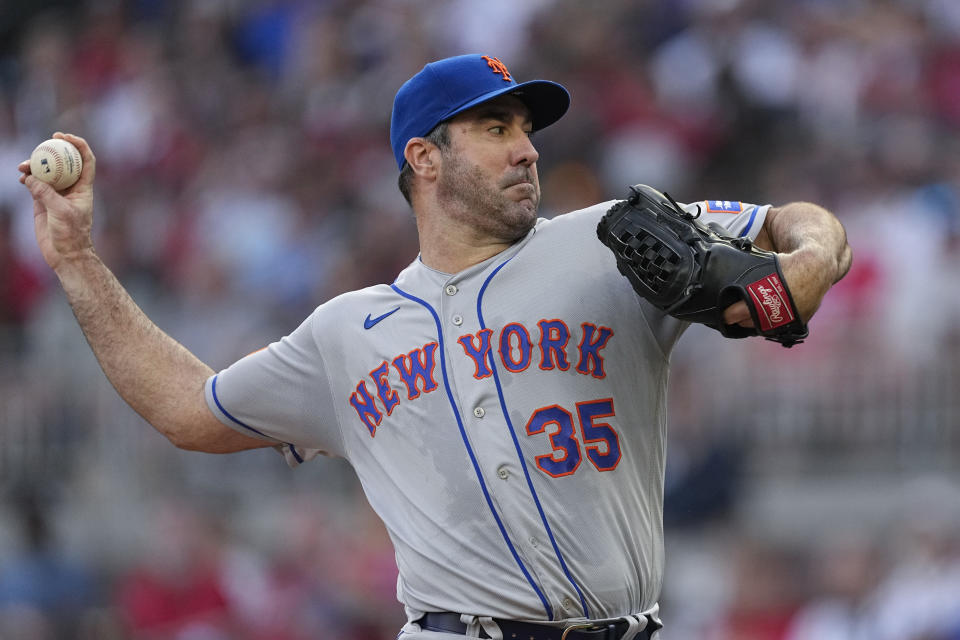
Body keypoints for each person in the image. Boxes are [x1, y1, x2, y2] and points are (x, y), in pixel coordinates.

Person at [18, 53, 852, 640]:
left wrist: (808, 258)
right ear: (424, 158)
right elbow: (186, 410)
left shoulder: (610, 238)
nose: (527, 147)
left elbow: (792, 228)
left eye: (526, 127)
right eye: (495, 128)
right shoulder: (346, 333)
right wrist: (78, 260)